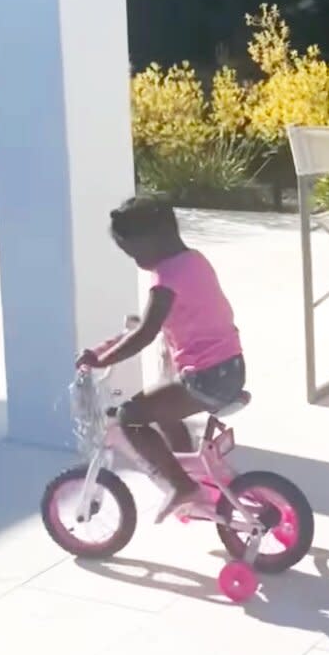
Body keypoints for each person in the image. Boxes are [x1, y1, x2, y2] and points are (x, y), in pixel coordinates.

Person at [76, 195, 245, 523]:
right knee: (164, 404)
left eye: (133, 251)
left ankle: (182, 486)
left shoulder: (165, 281)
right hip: (229, 369)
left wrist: (100, 362)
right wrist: (102, 350)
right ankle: (186, 469)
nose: (134, 258)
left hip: (206, 379)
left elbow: (143, 335)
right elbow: (146, 325)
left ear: (152, 239)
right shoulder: (194, 261)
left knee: (130, 417)